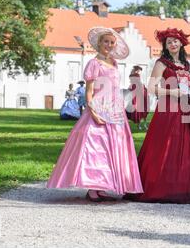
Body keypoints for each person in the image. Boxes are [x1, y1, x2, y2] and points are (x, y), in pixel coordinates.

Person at [47, 27, 143, 201]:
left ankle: (102, 186)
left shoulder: (113, 63)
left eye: (112, 42)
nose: (108, 45)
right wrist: (93, 113)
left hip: (115, 110)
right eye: (106, 41)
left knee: (113, 147)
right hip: (98, 108)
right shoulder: (93, 64)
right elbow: (89, 92)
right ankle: (93, 186)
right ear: (99, 43)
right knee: (96, 147)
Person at [128, 28, 190, 203]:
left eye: (175, 41)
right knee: (165, 146)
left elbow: (189, 91)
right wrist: (172, 92)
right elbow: (152, 88)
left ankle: (184, 186)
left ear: (181, 42)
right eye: (169, 42)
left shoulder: (186, 65)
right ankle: (161, 187)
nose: (173, 44)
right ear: (165, 46)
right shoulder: (161, 63)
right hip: (168, 108)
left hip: (186, 106)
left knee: (187, 147)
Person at [126, 65, 149, 130]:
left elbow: (132, 83)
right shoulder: (136, 74)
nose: (140, 72)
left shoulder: (131, 74)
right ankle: (141, 125)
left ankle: (139, 124)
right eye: (139, 70)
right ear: (137, 70)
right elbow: (138, 82)